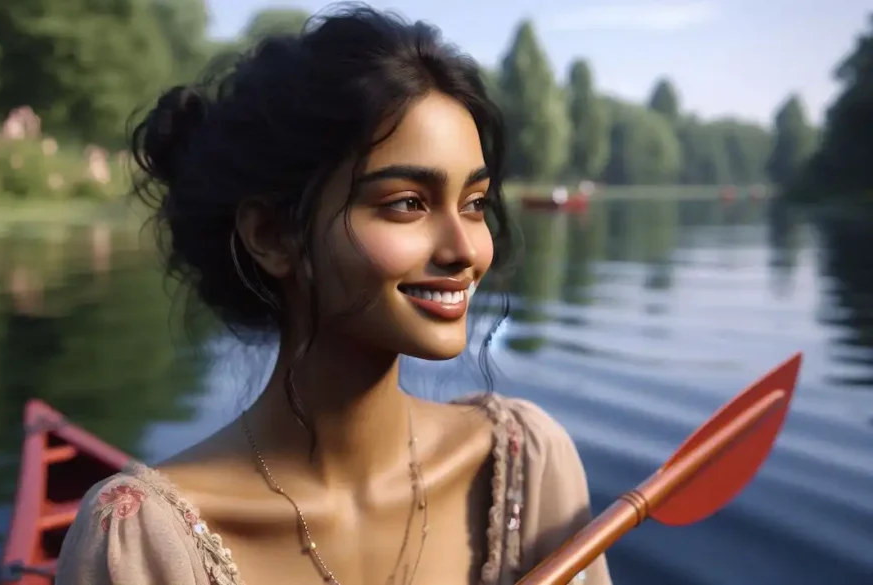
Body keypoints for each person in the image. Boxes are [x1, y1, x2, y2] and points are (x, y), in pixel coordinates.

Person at [55, 5, 612, 585]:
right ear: (273, 236)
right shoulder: (142, 544)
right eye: (406, 203)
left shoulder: (527, 465)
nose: (465, 250)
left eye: (473, 204)